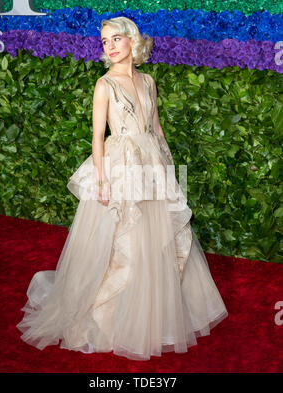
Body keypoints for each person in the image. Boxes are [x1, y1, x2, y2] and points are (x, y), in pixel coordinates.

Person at [16, 16, 228, 361]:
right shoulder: (104, 85)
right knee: (122, 240)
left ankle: (151, 315)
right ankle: (110, 317)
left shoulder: (148, 81)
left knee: (156, 238)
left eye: (116, 39)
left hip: (151, 165)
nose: (110, 47)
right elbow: (98, 136)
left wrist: (170, 175)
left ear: (133, 41)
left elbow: (156, 130)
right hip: (121, 167)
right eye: (104, 42)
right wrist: (101, 181)